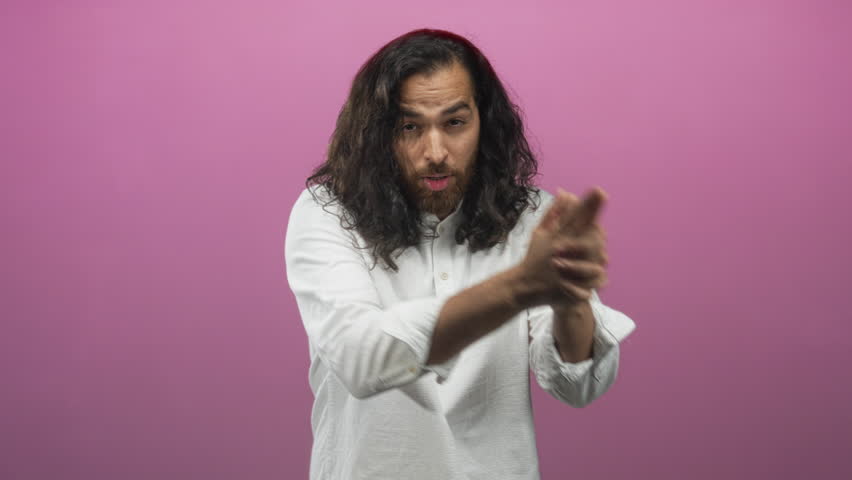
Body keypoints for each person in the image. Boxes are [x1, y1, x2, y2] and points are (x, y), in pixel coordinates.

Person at [284, 28, 636, 480]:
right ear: (377, 135)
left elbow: (577, 384)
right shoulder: (326, 214)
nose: (435, 152)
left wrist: (569, 297)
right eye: (409, 126)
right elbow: (361, 356)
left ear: (484, 124)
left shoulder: (530, 218)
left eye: (454, 123)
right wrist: (520, 286)